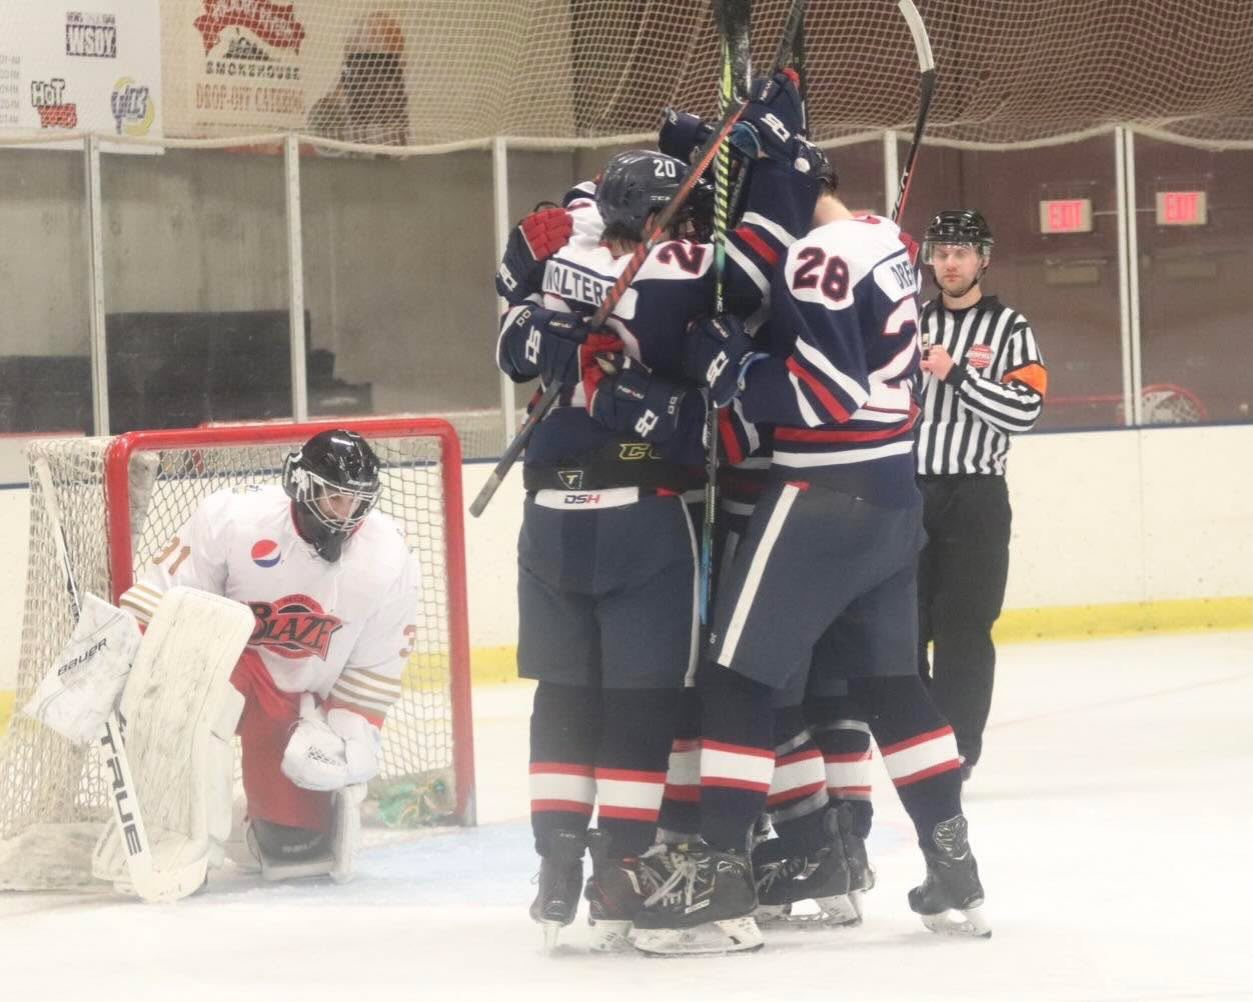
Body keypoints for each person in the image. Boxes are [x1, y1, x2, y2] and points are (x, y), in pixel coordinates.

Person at [494, 69, 821, 951]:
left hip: (548, 516)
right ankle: (619, 869)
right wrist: (783, 147)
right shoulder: (680, 267)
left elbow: (514, 333)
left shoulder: (556, 255)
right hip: (641, 516)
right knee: (641, 701)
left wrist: (695, 144)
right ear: (665, 218)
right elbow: (758, 259)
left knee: (563, 694)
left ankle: (556, 860)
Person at [630, 161, 992, 955]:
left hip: (825, 495)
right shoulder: (884, 241)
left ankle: (719, 876)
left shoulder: (817, 254)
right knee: (892, 685)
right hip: (894, 497)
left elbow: (823, 395)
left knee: (734, 676)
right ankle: (953, 867)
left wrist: (734, 365)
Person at [118, 429, 421, 881]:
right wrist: (122, 663)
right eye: (334, 497)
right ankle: (176, 819)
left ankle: (255, 821)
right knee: (197, 717)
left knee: (294, 850)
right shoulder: (236, 518)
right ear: (302, 485)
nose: (347, 512)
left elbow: (372, 670)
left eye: (357, 501)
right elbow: (164, 603)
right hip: (219, 672)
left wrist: (345, 738)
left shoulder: (388, 557)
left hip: (291, 706)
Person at [916, 209, 1047, 780]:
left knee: (964, 627)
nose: (949, 262)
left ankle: (958, 747)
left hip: (976, 498)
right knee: (904, 629)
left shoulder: (1011, 328)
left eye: (961, 252)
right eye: (941, 252)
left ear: (983, 259)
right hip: (910, 494)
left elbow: (1025, 411)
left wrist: (957, 376)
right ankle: (919, 739)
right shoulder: (907, 322)